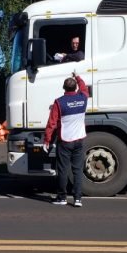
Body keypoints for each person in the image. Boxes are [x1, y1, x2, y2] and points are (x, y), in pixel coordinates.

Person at [43, 72, 89, 207]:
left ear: (64, 88)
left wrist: (47, 140)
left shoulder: (59, 102)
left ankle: (62, 197)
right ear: (75, 88)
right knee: (77, 170)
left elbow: (51, 123)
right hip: (79, 140)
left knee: (63, 170)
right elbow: (84, 88)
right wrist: (78, 77)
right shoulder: (83, 98)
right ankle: (78, 199)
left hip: (65, 141)